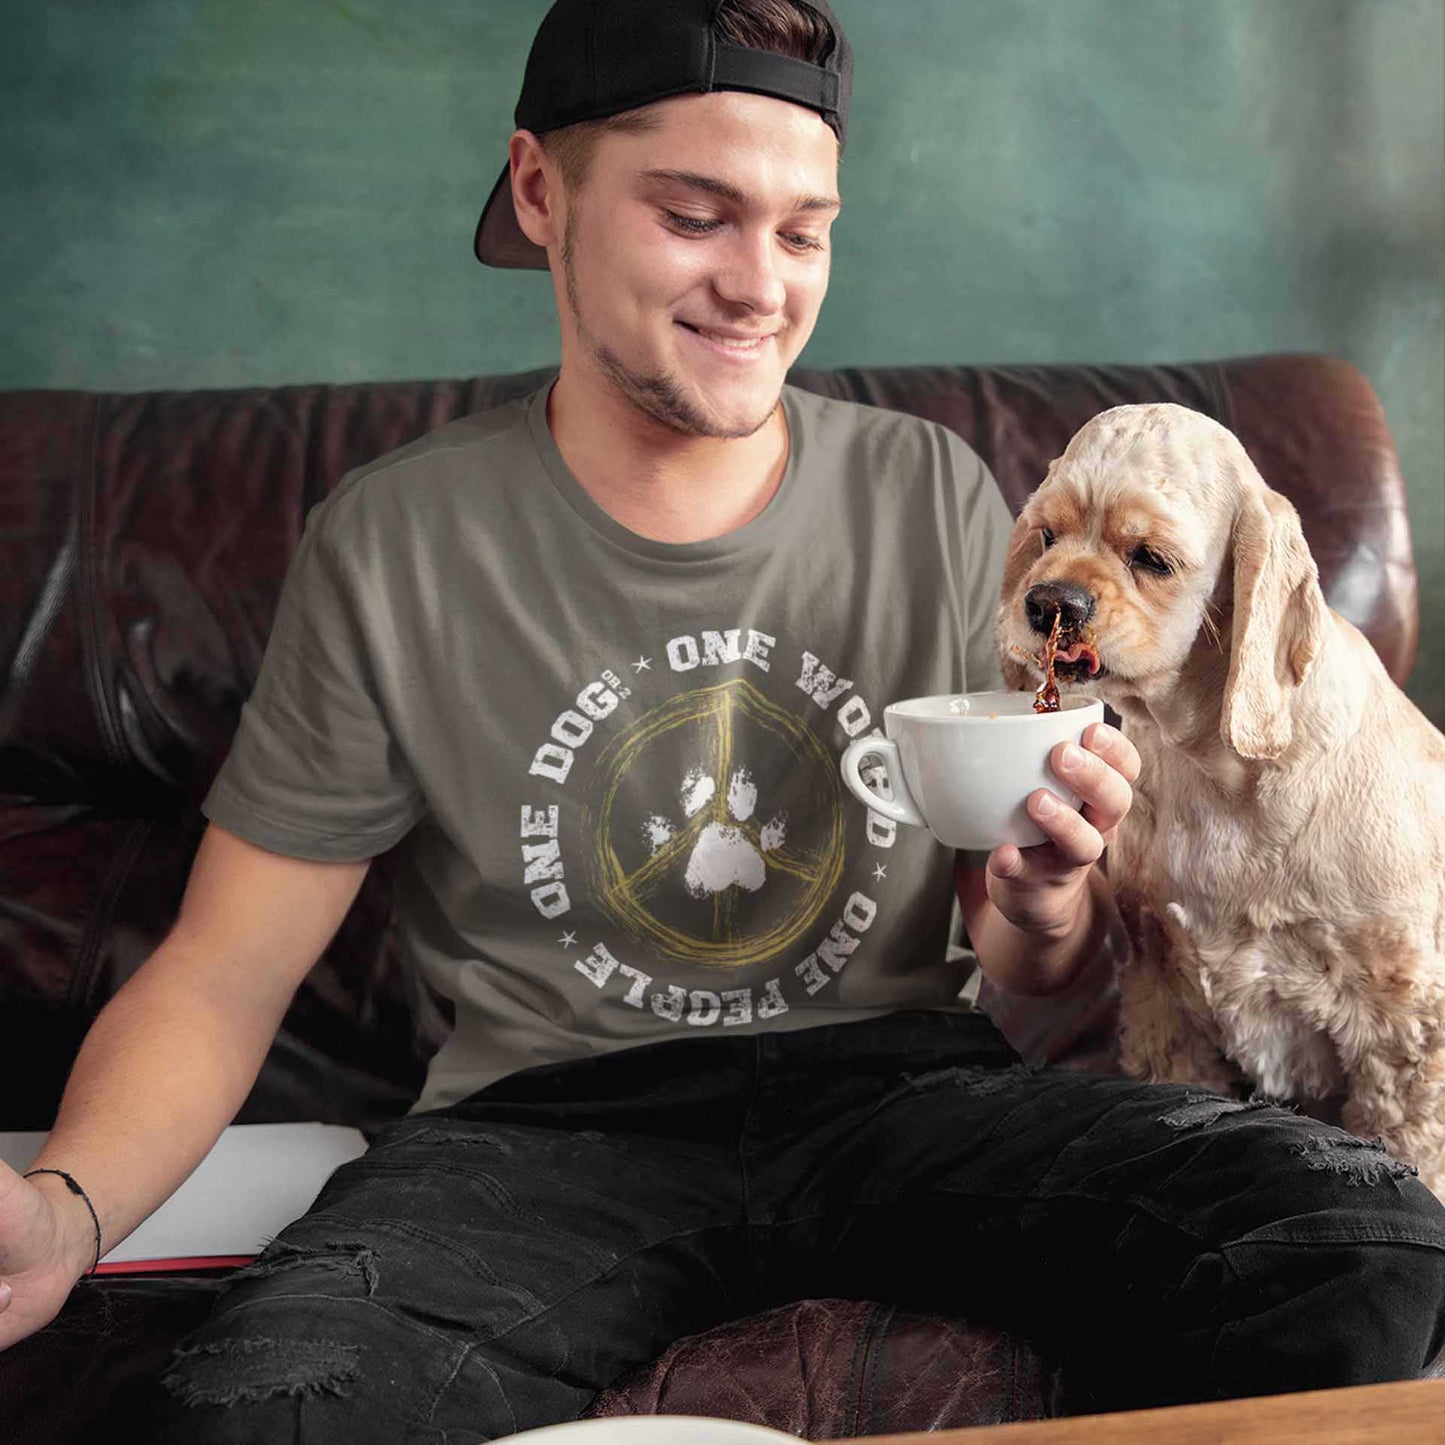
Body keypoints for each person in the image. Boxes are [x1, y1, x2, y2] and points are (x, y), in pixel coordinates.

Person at [3, 0, 1443, 1439]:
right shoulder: (390, 543)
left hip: (901, 1092)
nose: (760, 283)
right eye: (697, 216)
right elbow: (220, 972)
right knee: (260, 1412)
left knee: (1365, 1249)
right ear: (539, 191)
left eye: (803, 231)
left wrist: (1041, 891)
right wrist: (69, 1203)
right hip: (542, 1126)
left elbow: (1019, 944)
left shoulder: (934, 495)